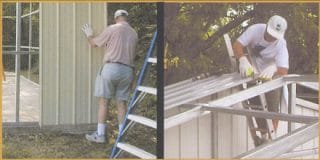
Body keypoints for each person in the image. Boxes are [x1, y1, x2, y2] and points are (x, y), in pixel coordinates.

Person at [81, 9, 138, 143]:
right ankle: (122, 137)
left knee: (104, 102)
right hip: (127, 71)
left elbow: (94, 43)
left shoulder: (112, 28)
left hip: (111, 68)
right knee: (121, 103)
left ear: (116, 18)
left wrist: (89, 34)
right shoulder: (134, 33)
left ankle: (100, 135)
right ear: (126, 18)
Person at [233, 15, 288, 144]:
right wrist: (242, 59)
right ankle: (263, 134)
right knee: (256, 103)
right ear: (267, 27)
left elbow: (284, 70)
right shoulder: (255, 30)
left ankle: (270, 137)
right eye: (270, 34)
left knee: (272, 105)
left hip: (271, 76)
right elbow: (237, 45)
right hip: (253, 72)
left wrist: (274, 68)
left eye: (275, 36)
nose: (271, 38)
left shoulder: (281, 44)